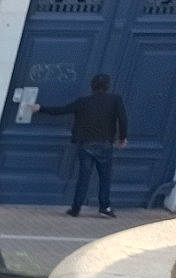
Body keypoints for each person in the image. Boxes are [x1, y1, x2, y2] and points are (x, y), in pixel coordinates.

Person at [34, 74, 128, 219]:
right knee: (105, 177)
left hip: (86, 144)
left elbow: (62, 110)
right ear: (108, 86)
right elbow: (122, 119)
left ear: (92, 86)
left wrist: (40, 108)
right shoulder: (115, 100)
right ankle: (105, 207)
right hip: (105, 144)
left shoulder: (84, 102)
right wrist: (122, 137)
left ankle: (76, 208)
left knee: (84, 177)